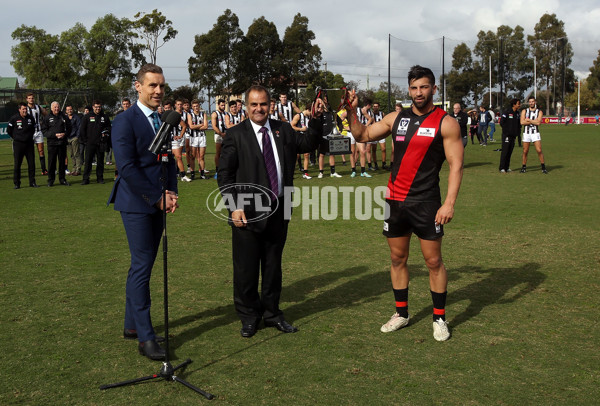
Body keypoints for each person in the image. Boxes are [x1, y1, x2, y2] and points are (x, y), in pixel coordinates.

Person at [346, 65, 464, 342]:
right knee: (397, 259)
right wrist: (351, 111)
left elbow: (456, 166)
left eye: (424, 87)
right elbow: (362, 135)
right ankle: (401, 313)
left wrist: (448, 203)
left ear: (434, 89)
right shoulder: (396, 118)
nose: (419, 92)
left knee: (434, 261)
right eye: (414, 87)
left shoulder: (445, 122)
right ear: (408, 89)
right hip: (395, 202)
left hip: (426, 203)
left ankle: (439, 318)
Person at [217, 85, 324, 338]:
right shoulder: (235, 134)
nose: (258, 109)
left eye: (263, 104)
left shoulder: (283, 129)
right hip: (246, 212)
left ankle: (272, 313)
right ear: (245, 106)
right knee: (246, 268)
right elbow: (225, 175)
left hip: (279, 208)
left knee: (273, 267)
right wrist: (233, 207)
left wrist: (317, 119)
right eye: (253, 104)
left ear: (270, 105)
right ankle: (249, 316)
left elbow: (308, 142)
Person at [108, 63, 179, 361]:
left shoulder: (163, 119)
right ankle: (146, 337)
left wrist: (172, 191)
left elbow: (168, 160)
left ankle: (132, 326)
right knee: (141, 265)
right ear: (138, 87)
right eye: (152, 85)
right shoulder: (124, 121)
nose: (158, 91)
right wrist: (156, 196)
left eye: (161, 86)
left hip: (160, 200)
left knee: (144, 265)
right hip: (137, 203)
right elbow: (126, 169)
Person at [7, 102, 38, 188]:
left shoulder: (31, 118)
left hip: (29, 144)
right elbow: (9, 130)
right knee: (17, 164)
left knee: (31, 164)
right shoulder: (14, 118)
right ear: (19, 109)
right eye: (23, 109)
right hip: (18, 144)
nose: (25, 111)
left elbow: (33, 129)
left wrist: (29, 137)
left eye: (26, 109)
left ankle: (32, 182)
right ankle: (17, 183)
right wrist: (15, 137)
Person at [80, 101, 111, 185]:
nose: (98, 108)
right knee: (88, 162)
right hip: (90, 143)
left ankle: (100, 178)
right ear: (93, 107)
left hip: (101, 143)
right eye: (96, 107)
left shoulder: (104, 117)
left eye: (99, 107)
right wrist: (85, 141)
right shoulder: (87, 117)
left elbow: (109, 127)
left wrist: (106, 132)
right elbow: (82, 129)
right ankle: (85, 179)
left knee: (100, 161)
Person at [41, 101, 72, 187]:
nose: (56, 108)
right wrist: (54, 135)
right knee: (51, 162)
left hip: (62, 143)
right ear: (51, 108)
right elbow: (44, 131)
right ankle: (51, 180)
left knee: (62, 162)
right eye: (55, 107)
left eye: (58, 107)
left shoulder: (64, 117)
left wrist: (64, 134)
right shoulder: (47, 118)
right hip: (52, 143)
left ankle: (62, 179)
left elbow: (69, 128)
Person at [520, 96, 548, 174]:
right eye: (530, 101)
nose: (531, 103)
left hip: (535, 133)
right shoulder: (524, 111)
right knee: (525, 151)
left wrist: (528, 120)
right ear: (529, 102)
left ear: (535, 102)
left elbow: (538, 123)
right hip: (526, 133)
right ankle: (524, 167)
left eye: (533, 101)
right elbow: (522, 122)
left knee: (539, 150)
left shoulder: (539, 112)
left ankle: (543, 167)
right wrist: (533, 121)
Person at [26, 93, 48, 175]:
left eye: (32, 98)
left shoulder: (38, 107)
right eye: (29, 98)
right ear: (27, 99)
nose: (31, 99)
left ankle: (44, 169)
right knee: (30, 152)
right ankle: (32, 170)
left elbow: (47, 115)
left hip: (38, 132)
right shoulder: (25, 108)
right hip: (29, 133)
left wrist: (43, 123)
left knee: (41, 150)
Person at [187, 99, 208, 179]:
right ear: (192, 107)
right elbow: (191, 126)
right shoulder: (190, 115)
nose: (196, 108)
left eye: (197, 106)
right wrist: (201, 125)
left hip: (202, 137)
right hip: (193, 137)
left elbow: (206, 126)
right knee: (192, 156)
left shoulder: (203, 114)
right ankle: (192, 174)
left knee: (202, 156)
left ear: (199, 106)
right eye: (194, 106)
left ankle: (202, 174)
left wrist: (197, 126)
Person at [499, 99, 521, 173]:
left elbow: (518, 124)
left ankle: (507, 167)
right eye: (518, 103)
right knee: (505, 151)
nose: (519, 105)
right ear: (514, 104)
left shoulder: (517, 113)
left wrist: (517, 133)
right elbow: (502, 122)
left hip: (513, 136)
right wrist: (507, 132)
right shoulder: (507, 112)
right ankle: (502, 168)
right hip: (506, 136)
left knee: (510, 152)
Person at [211, 99, 228, 179]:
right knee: (218, 153)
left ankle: (225, 169)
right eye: (222, 105)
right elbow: (214, 126)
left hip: (226, 135)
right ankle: (217, 171)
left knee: (226, 153)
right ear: (218, 105)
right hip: (218, 135)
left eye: (224, 105)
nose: (223, 106)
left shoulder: (226, 114)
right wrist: (221, 134)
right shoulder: (215, 114)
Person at [65, 105, 82, 176]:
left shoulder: (76, 117)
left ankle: (78, 169)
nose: (69, 111)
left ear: (73, 110)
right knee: (71, 155)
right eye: (68, 110)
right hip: (67, 138)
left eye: (70, 109)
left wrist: (77, 136)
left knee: (76, 154)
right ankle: (74, 169)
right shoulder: (65, 118)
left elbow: (79, 127)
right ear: (66, 111)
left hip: (74, 137)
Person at [371, 102, 388, 170]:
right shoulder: (371, 114)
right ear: (373, 107)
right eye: (374, 106)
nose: (375, 107)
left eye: (377, 106)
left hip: (381, 133)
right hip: (374, 133)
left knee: (383, 149)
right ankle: (375, 164)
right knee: (374, 149)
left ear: (379, 107)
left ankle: (384, 163)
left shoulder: (382, 113)